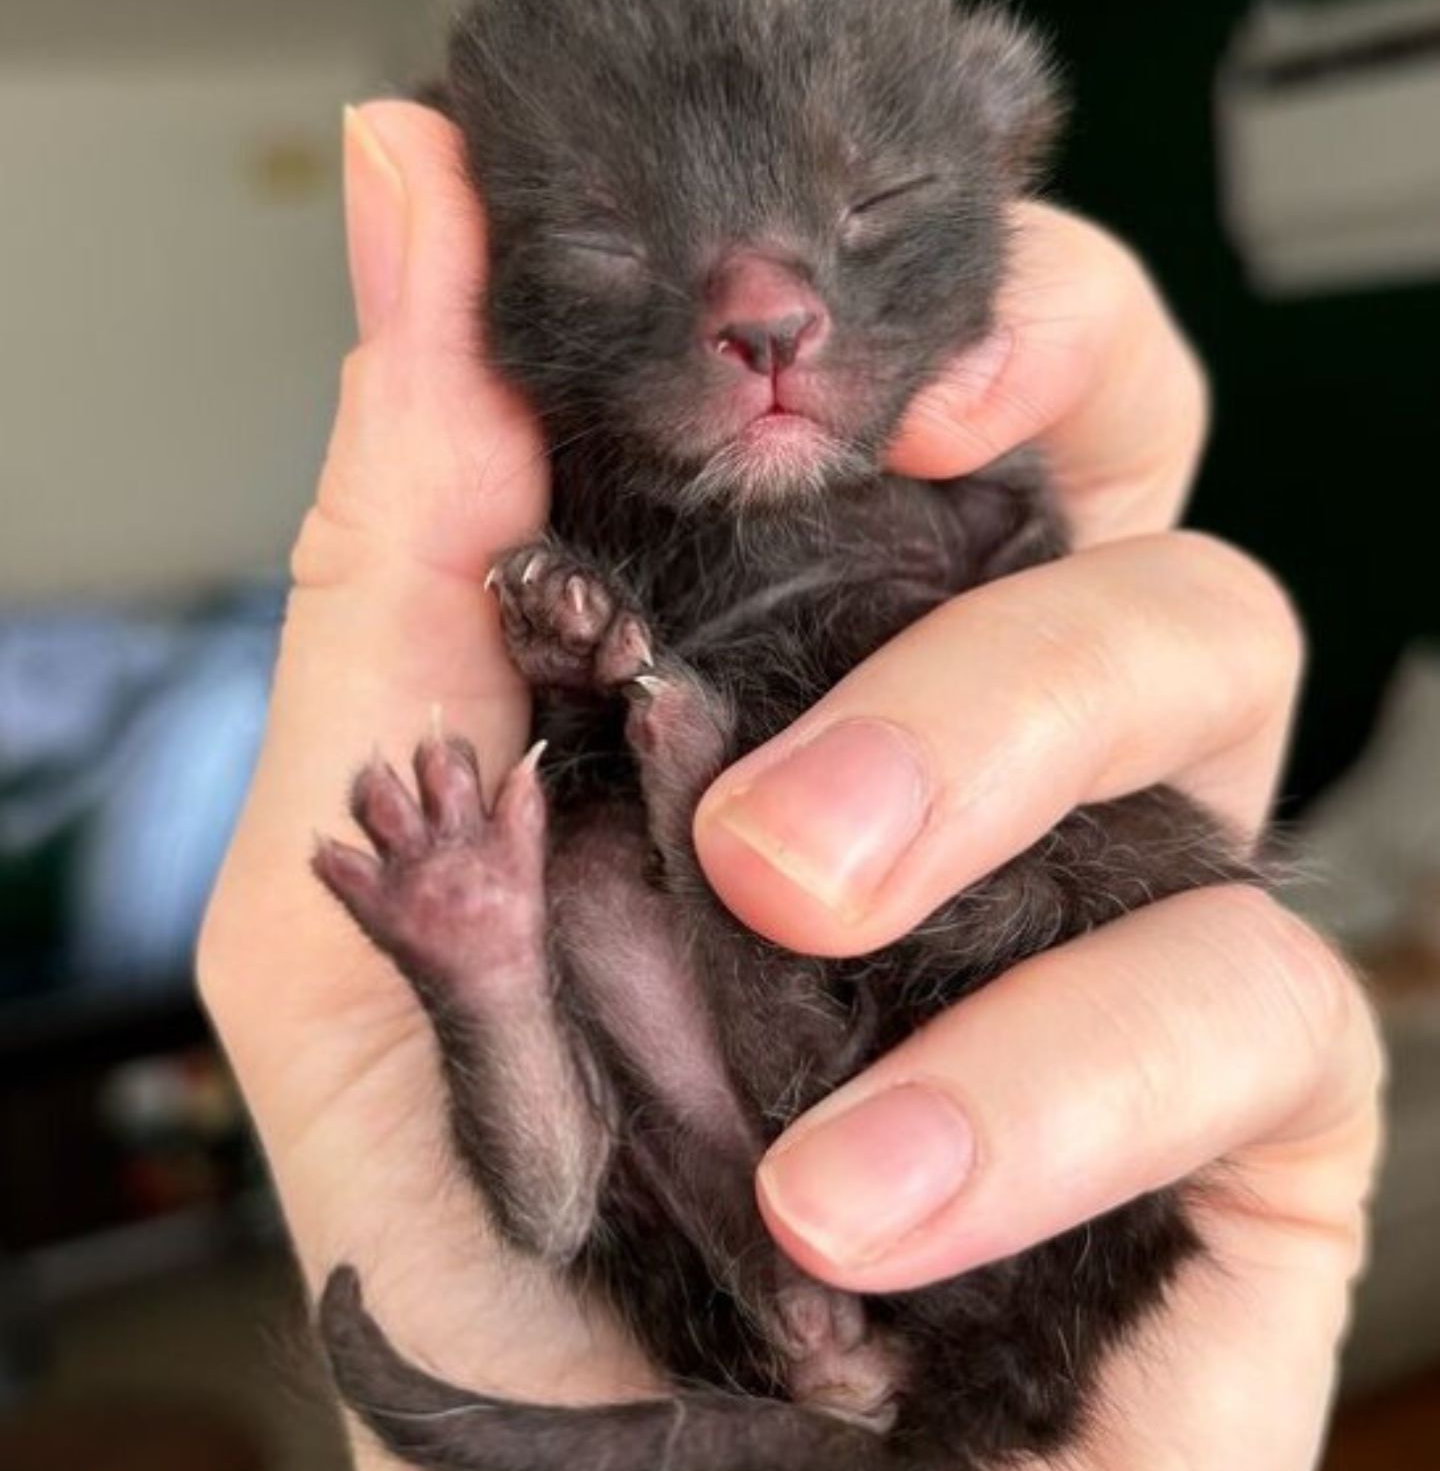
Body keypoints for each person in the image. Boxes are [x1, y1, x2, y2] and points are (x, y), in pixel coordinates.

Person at [198, 101, 1383, 1470]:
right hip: (718, 1218)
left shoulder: (969, 465)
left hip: (866, 1281)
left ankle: (783, 1286)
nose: (762, 305)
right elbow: (565, 1201)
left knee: (615, 893)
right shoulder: (558, 509)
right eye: (602, 239)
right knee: (581, 891)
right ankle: (524, 986)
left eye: (867, 213)